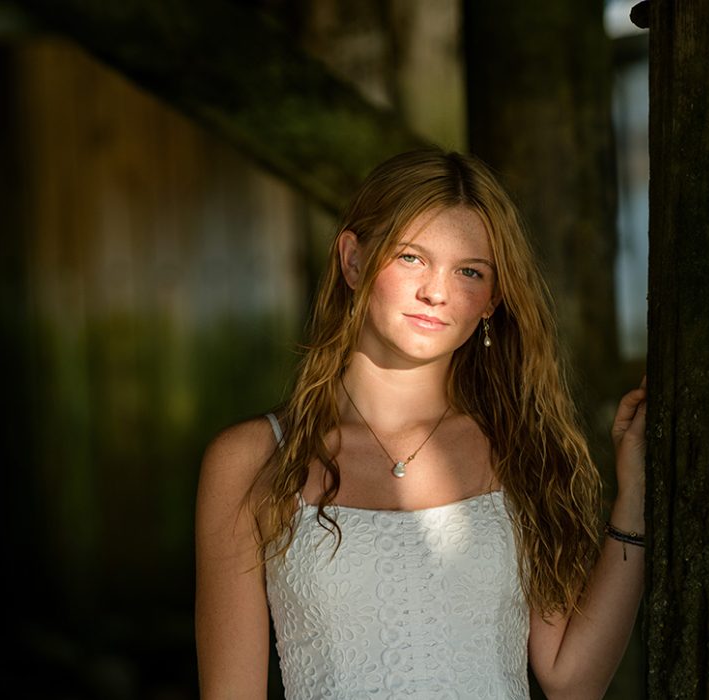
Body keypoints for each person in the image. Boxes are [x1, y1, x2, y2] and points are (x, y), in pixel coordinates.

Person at [194, 148, 647, 699]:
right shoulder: (252, 461)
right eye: (411, 258)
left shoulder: (520, 448)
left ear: (491, 300)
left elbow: (572, 681)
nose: (436, 292)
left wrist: (634, 502)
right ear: (354, 261)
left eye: (469, 271)